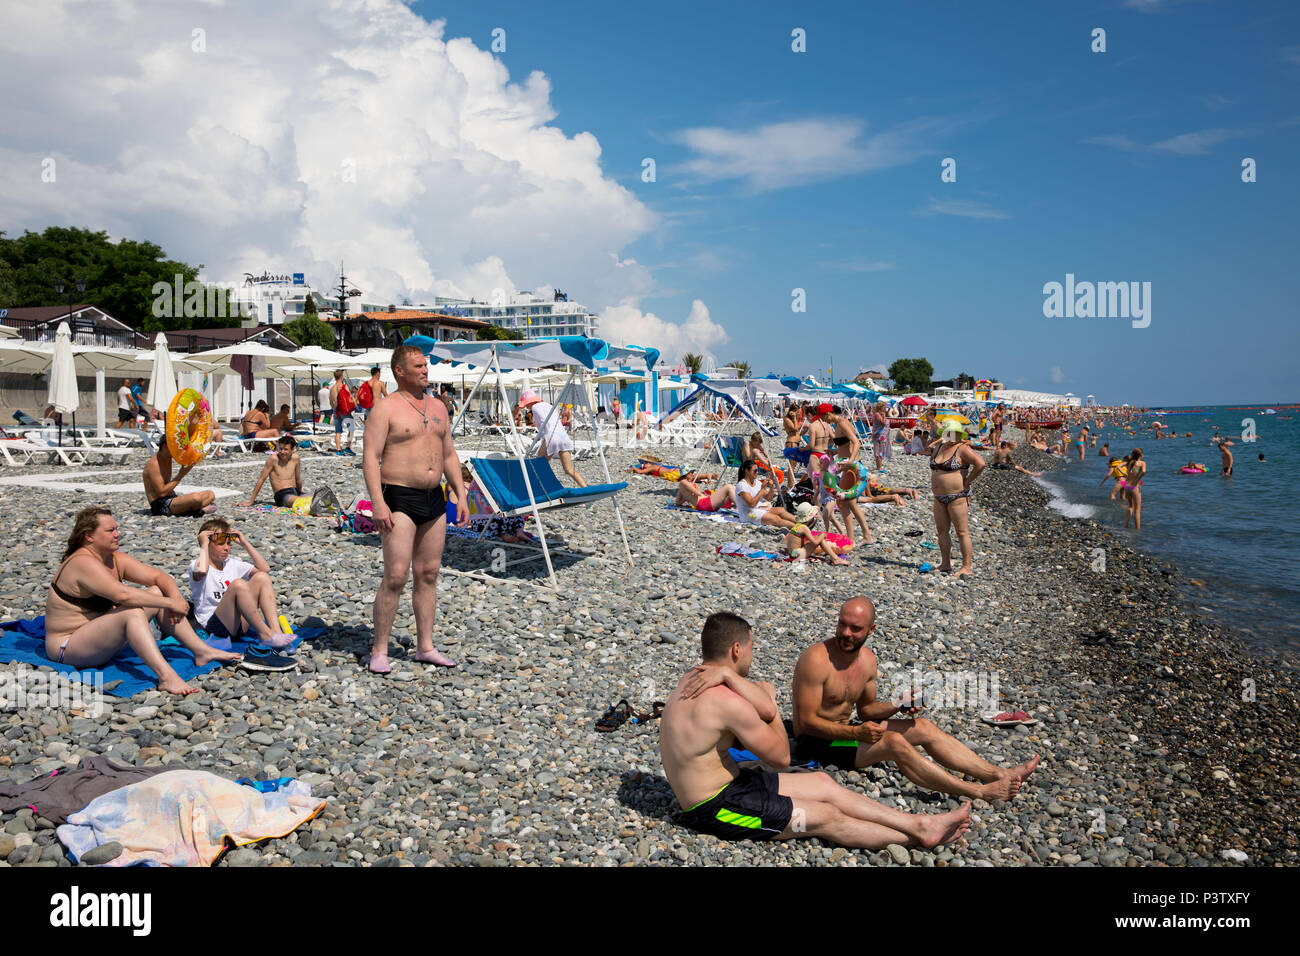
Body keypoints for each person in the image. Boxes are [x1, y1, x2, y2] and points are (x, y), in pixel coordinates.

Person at [659, 612, 972, 849]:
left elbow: (758, 706)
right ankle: (917, 839)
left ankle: (919, 823)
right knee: (824, 816)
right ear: (737, 650)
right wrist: (770, 704)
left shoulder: (693, 678)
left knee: (823, 783)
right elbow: (781, 757)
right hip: (716, 809)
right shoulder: (726, 701)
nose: (753, 657)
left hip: (733, 784)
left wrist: (747, 690)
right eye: (752, 649)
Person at [792, 598, 1040, 800]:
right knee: (894, 743)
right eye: (842, 624)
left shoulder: (867, 660)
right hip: (819, 745)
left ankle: (997, 773)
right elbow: (805, 724)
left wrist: (897, 705)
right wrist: (857, 735)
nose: (846, 633)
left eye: (855, 628)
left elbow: (866, 711)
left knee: (923, 727)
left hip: (846, 734)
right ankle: (978, 791)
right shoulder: (816, 660)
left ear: (871, 630)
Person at [44, 507, 240, 695]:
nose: (117, 534)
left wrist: (174, 597)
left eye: (117, 529)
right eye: (110, 530)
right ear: (89, 536)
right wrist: (171, 604)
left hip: (99, 635)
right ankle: (166, 677)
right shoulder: (82, 562)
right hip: (69, 646)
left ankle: (202, 651)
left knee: (157, 593)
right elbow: (123, 595)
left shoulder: (112, 558)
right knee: (133, 611)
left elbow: (159, 577)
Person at [363, 344, 470, 673]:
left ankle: (425, 646)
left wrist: (460, 492)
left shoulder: (438, 407)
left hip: (433, 497)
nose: (426, 370)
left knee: (428, 573)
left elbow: (448, 453)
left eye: (426, 365)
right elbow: (369, 457)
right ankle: (380, 650)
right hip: (398, 496)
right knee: (395, 576)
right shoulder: (386, 408)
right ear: (400, 371)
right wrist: (378, 503)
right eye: (419, 366)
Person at [190, 517, 293, 648]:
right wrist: (203, 544)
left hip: (238, 624)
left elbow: (264, 569)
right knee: (238, 584)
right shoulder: (197, 564)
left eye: (229, 543)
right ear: (207, 544)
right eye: (221, 543)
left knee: (261, 577)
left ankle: (275, 631)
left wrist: (245, 544)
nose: (226, 548)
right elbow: (201, 571)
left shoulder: (231, 564)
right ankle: (265, 634)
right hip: (214, 627)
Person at [927, 422, 985, 578]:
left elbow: (980, 463)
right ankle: (945, 563)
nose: (951, 435)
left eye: (954, 432)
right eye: (948, 432)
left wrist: (968, 481)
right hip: (938, 497)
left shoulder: (962, 449)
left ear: (960, 435)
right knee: (942, 531)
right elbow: (932, 458)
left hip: (957, 497)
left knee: (962, 531)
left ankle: (966, 566)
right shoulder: (939, 447)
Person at [518, 389, 587, 487]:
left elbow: (544, 422)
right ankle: (585, 489)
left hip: (551, 437)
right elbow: (553, 422)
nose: (526, 407)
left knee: (538, 466)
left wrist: (541, 437)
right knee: (569, 470)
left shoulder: (535, 407)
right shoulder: (548, 405)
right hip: (563, 436)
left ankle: (543, 489)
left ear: (529, 401)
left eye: (526, 404)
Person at [143, 441, 216, 517]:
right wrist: (181, 474)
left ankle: (193, 509)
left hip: (171, 499)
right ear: (165, 446)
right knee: (196, 498)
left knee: (210, 494)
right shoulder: (154, 464)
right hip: (161, 505)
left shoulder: (167, 459)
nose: (176, 450)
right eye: (174, 447)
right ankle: (196, 510)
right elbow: (161, 493)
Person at [735, 459, 799, 529]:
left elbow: (769, 499)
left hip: (759, 508)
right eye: (755, 471)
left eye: (758, 470)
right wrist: (762, 490)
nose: (757, 472)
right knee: (776, 518)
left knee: (781, 510)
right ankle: (799, 528)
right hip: (748, 513)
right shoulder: (742, 485)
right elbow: (751, 504)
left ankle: (802, 523)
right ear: (747, 471)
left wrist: (771, 487)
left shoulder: (757, 482)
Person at [246, 435, 303, 507]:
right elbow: (261, 480)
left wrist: (300, 493)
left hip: (295, 491)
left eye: (285, 449)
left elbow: (298, 480)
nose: (282, 452)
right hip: (282, 495)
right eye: (280, 449)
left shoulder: (295, 458)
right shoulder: (273, 459)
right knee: (302, 502)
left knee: (315, 499)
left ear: (293, 449)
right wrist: (250, 502)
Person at [330, 369, 357, 456]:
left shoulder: (332, 388)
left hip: (336, 411)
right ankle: (348, 447)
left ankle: (338, 450)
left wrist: (334, 409)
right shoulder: (344, 386)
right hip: (345, 411)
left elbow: (331, 402)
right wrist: (355, 405)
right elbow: (350, 398)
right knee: (351, 428)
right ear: (341, 377)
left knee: (338, 431)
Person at [1123, 449, 1145, 529]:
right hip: (1134, 487)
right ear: (1141, 455)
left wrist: (1124, 474)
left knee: (1130, 506)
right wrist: (1137, 480)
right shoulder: (1142, 463)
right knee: (1137, 509)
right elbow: (1143, 472)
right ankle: (1137, 529)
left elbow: (1120, 467)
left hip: (1127, 487)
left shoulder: (1130, 463)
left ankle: (1125, 525)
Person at [870, 402, 891, 471]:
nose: (885, 408)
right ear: (880, 407)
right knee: (878, 451)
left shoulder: (880, 414)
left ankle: (879, 466)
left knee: (881, 450)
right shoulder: (877, 414)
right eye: (884, 407)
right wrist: (884, 416)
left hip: (882, 435)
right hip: (879, 435)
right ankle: (879, 467)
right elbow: (883, 423)